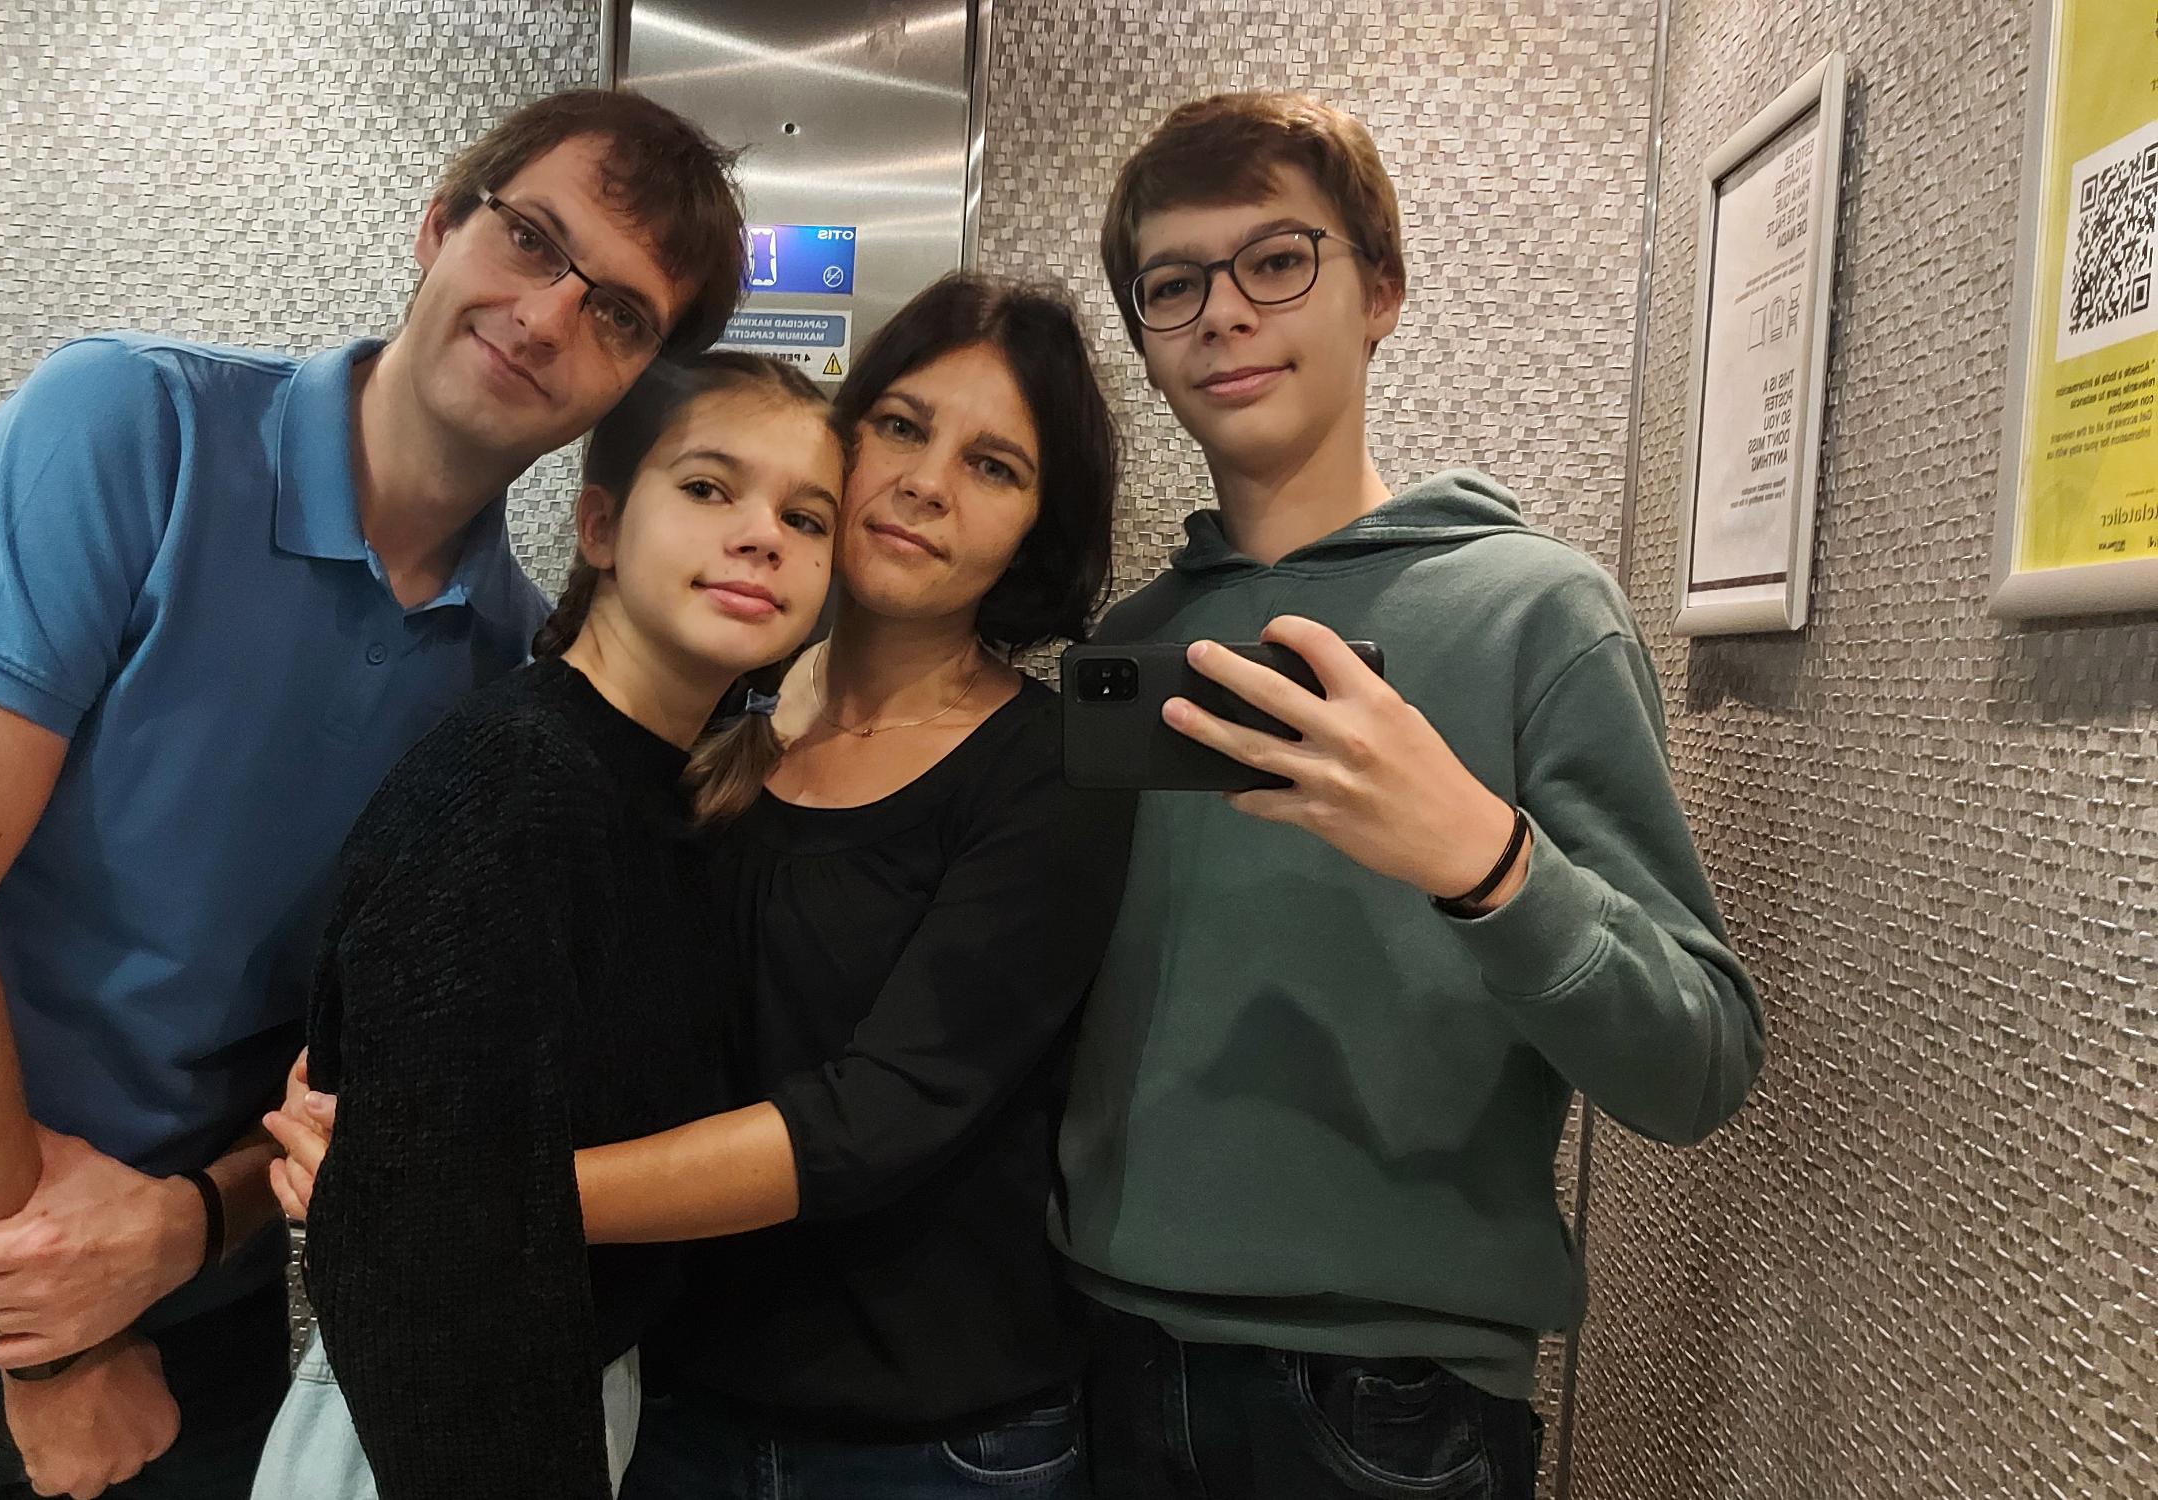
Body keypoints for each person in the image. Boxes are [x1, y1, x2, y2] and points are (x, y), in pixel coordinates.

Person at [0, 89, 745, 1500]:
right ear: (437, 227)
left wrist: (185, 1228)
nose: (545, 317)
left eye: (620, 315)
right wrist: (52, 1345)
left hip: (174, 1316)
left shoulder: (504, 677)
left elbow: (336, 1080)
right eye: (530, 239)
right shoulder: (132, 431)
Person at [267, 273, 1141, 1496]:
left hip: (921, 1440)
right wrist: (377, 1109)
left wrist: (456, 1193)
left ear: (1037, 526)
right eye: (900, 427)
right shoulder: (703, 733)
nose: (928, 484)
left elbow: (879, 1115)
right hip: (664, 1403)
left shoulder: (1044, 772)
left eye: (995, 466)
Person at [1056, 91, 1766, 1500]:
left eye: (1277, 260)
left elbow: (1696, 1068)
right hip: (1094, 1359)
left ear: (1381, 290)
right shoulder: (1134, 643)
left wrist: (1485, 862)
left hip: (1388, 1405)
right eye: (1172, 284)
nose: (1223, 312)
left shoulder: (1536, 615)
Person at [266, 352, 844, 1500]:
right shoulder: (518, 783)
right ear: (600, 527)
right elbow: (434, 1247)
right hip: (451, 1418)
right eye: (709, 488)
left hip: (572, 1371)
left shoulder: (668, 787)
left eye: (807, 517)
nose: (762, 536)